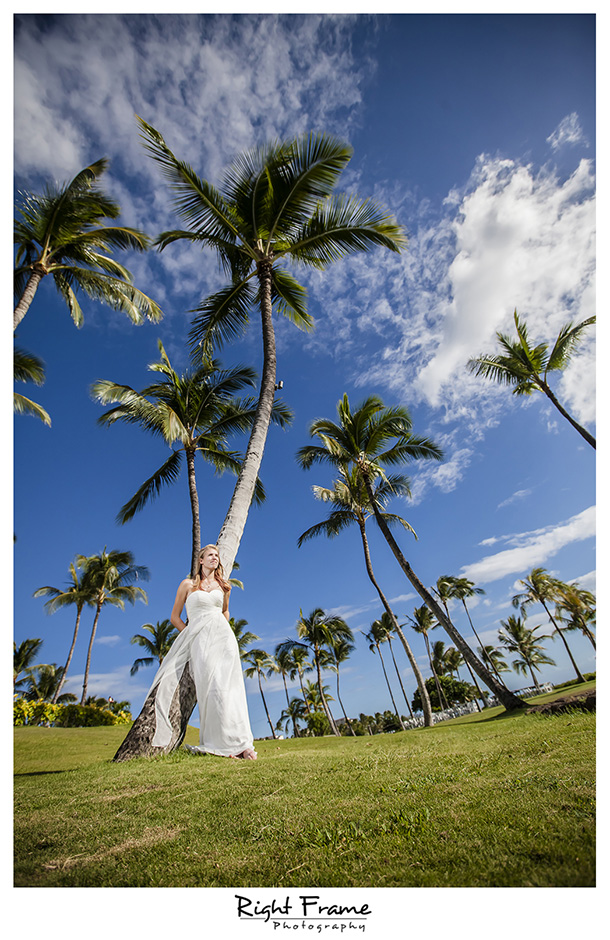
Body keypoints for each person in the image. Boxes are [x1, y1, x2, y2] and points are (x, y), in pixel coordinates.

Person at [147, 544, 257, 760]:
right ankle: (220, 744)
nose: (215, 558)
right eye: (210, 555)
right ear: (200, 560)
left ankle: (242, 743)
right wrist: (191, 634)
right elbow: (175, 617)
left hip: (224, 641)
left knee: (230, 689)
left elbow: (225, 612)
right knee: (210, 690)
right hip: (200, 643)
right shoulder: (187, 585)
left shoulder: (224, 586)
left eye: (217, 555)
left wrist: (220, 630)